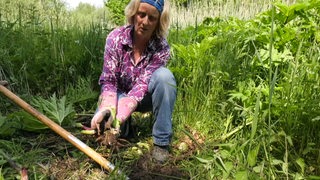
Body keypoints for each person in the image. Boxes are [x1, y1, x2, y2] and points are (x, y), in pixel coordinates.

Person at [90, 0, 176, 163]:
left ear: (158, 22)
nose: (145, 22)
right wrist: (108, 110)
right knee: (103, 127)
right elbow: (108, 81)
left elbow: (142, 86)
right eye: (141, 14)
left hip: (145, 97)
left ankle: (161, 142)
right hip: (118, 96)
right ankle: (124, 126)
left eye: (152, 18)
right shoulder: (115, 38)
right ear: (133, 13)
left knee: (165, 77)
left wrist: (119, 116)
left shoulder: (161, 47)